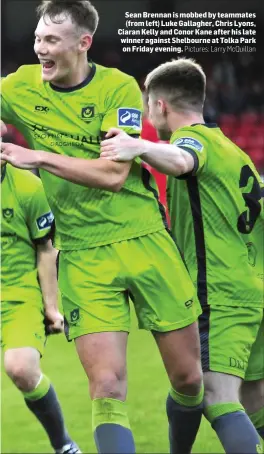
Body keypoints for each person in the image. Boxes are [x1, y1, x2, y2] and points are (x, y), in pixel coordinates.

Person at [1, 2, 204, 453]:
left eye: (51, 41)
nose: (40, 49)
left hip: (144, 238)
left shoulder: (118, 88)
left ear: (83, 43)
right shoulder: (18, 87)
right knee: (107, 387)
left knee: (190, 380)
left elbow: (114, 175)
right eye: (37, 38)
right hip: (83, 252)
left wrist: (38, 157)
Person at [100, 58, 264, 454]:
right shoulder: (234, 151)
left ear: (160, 107)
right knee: (255, 402)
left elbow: (182, 161)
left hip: (219, 294)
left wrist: (137, 145)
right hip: (253, 290)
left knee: (215, 396)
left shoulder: (192, 143)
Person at [1, 154, 80, 453]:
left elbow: (46, 250)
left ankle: (63, 444)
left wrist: (51, 308)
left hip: (17, 294)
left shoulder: (28, 187)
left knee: (21, 368)